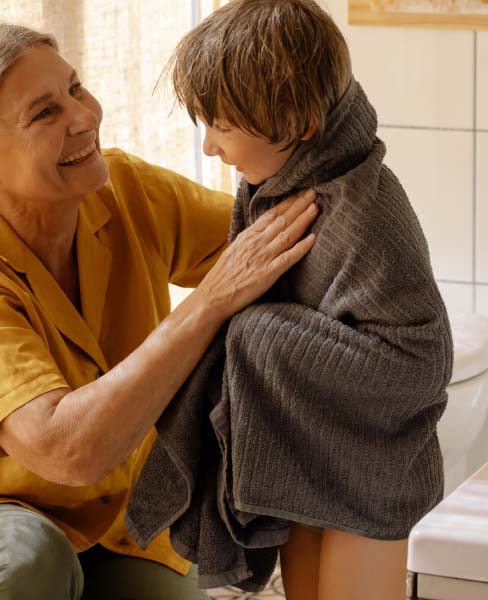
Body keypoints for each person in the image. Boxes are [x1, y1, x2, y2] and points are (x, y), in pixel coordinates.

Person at [0, 23, 318, 600]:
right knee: (25, 564)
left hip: (113, 522)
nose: (84, 117)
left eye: (75, 89)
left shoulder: (127, 190)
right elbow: (63, 448)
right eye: (44, 113)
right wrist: (208, 304)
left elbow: (278, 242)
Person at [126, 1, 452, 599]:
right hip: (307, 444)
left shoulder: (364, 207)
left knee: (253, 328)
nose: (210, 149)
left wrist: (258, 331)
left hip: (375, 468)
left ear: (300, 126)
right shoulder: (279, 187)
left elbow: (423, 363)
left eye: (222, 126)